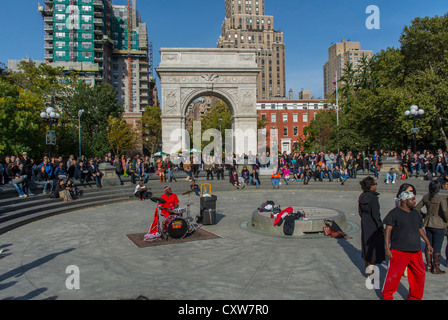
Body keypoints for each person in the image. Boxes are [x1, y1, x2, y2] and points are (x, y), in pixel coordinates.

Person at [382, 190, 434, 300]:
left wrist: (428, 243)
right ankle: (387, 295)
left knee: (419, 274)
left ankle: (415, 297)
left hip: (416, 250)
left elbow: (420, 229)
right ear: (405, 201)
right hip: (399, 250)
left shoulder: (415, 213)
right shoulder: (394, 213)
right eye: (412, 199)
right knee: (394, 275)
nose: (414, 201)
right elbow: (388, 231)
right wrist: (387, 248)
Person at [415, 180, 448, 274]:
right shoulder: (441, 198)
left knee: (429, 244)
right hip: (439, 224)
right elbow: (445, 211)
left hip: (428, 223)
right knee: (437, 246)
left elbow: (417, 208)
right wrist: (446, 220)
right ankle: (436, 268)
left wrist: (424, 215)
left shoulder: (426, 197)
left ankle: (429, 265)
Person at [358, 177, 385, 275]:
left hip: (365, 221)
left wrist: (364, 218)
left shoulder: (362, 196)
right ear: (371, 186)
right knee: (374, 244)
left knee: (365, 243)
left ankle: (366, 262)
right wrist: (380, 227)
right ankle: (371, 268)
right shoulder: (373, 198)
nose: (376, 186)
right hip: (373, 224)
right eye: (375, 184)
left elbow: (360, 211)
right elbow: (376, 214)